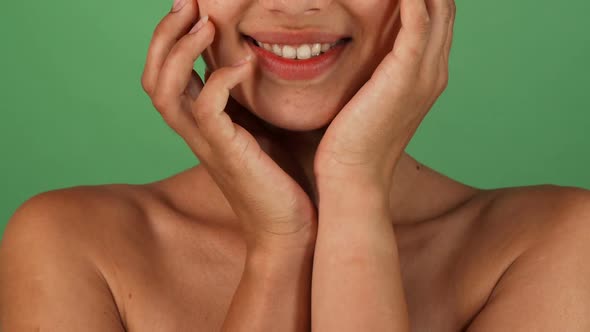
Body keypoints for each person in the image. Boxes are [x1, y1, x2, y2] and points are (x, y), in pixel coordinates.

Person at [1, 0, 590, 330]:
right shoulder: (72, 245)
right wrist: (278, 248)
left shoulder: (559, 245)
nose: (294, 5)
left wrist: (354, 194)